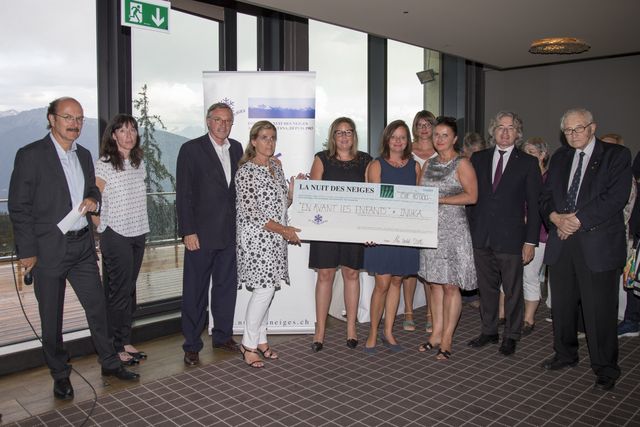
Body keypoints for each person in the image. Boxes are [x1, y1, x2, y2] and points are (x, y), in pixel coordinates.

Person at [8, 97, 139, 400]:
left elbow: (92, 188)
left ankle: (110, 363)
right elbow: (19, 206)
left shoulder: (84, 155)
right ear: (52, 119)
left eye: (79, 118)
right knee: (51, 318)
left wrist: (93, 198)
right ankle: (60, 374)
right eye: (68, 117)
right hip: (48, 250)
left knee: (98, 308)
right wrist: (27, 251)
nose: (75, 124)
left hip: (82, 247)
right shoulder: (30, 155)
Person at [540, 108, 631, 391]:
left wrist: (576, 220)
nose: (573, 134)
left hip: (597, 244)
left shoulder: (616, 155)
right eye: (567, 130)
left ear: (592, 127)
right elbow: (546, 196)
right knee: (562, 306)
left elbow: (615, 197)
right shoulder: (560, 157)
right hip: (562, 242)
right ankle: (565, 354)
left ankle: (605, 368)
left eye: (578, 128)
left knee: (599, 311)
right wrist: (555, 218)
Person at [467, 111, 542, 356]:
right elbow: (471, 198)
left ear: (518, 133)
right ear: (493, 131)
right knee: (486, 288)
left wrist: (530, 241)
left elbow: (534, 205)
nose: (505, 132)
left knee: (512, 290)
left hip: (512, 238)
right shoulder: (478, 158)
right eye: (501, 127)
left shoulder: (528, 163)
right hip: (481, 236)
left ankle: (511, 335)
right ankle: (489, 330)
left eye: (511, 128)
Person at [176, 102, 243, 366]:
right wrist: (188, 231)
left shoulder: (237, 148)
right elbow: (183, 194)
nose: (223, 125)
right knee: (195, 292)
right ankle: (192, 345)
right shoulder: (191, 150)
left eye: (227, 121)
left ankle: (222, 336)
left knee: (226, 289)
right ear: (208, 121)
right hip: (200, 236)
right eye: (218, 120)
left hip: (229, 234)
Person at [235, 121, 302, 368]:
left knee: (268, 290)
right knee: (264, 291)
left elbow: (282, 204)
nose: (269, 142)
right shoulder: (245, 172)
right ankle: (248, 345)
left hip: (274, 240)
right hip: (256, 241)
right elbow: (252, 212)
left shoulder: (275, 166)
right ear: (253, 141)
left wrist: (293, 192)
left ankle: (261, 340)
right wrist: (285, 231)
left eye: (273, 137)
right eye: (264, 137)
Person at [308, 117, 372, 351]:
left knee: (351, 274)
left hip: (353, 228)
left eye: (348, 132)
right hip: (326, 228)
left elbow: (372, 197)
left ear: (354, 135)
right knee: (325, 275)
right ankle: (320, 331)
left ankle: (351, 328)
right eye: (339, 132)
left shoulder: (366, 160)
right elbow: (312, 195)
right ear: (332, 136)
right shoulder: (321, 159)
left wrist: (370, 228)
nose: (344, 136)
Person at [417, 117, 478, 360]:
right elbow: (419, 196)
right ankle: (436, 334)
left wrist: (440, 200)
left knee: (451, 285)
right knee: (435, 284)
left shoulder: (462, 163)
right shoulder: (428, 164)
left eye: (445, 135)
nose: (440, 139)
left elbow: (472, 196)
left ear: (454, 139)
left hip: (454, 231)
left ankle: (447, 338)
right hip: (431, 230)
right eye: (436, 135)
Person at [94, 114, 149, 364]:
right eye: (123, 130)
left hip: (138, 231)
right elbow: (94, 201)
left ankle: (125, 339)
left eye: (133, 130)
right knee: (118, 292)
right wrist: (102, 229)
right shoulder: (104, 164)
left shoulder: (138, 163)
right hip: (116, 233)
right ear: (113, 135)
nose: (129, 135)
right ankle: (115, 346)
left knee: (128, 290)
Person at [363, 120, 421, 353]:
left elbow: (419, 201)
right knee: (382, 283)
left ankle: (388, 331)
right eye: (394, 137)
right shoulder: (376, 165)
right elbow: (372, 201)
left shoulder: (415, 167)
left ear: (408, 141)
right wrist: (370, 231)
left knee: (397, 280)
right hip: (382, 232)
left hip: (405, 233)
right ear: (387, 139)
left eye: (402, 137)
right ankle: (373, 332)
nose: (398, 141)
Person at [402, 110, 436, 334]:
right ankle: (408, 311)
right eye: (419, 124)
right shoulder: (407, 150)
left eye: (428, 124)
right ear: (414, 128)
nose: (424, 128)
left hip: (435, 213)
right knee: (410, 266)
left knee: (431, 266)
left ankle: (431, 314)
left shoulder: (441, 149)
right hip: (410, 212)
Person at [518, 137, 550, 335]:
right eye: (525, 153)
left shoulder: (549, 178)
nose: (527, 157)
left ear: (542, 155)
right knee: (511, 275)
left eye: (531, 153)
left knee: (530, 276)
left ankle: (528, 319)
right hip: (517, 233)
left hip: (539, 235)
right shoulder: (522, 175)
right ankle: (505, 314)